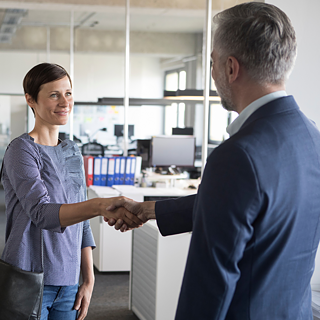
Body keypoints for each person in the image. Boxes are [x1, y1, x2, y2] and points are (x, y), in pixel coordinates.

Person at [106, 3, 320, 319]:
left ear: (231, 68)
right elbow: (258, 209)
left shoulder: (237, 156)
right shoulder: (311, 137)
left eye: (212, 63)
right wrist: (152, 209)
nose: (212, 72)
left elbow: (209, 287)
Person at [0, 63, 142, 320]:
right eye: (54, 94)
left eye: (68, 93)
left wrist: (88, 279)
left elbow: (82, 221)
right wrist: (100, 205)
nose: (64, 102)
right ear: (30, 99)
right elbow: (42, 214)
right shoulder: (21, 151)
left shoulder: (73, 151)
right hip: (29, 278)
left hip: (69, 281)